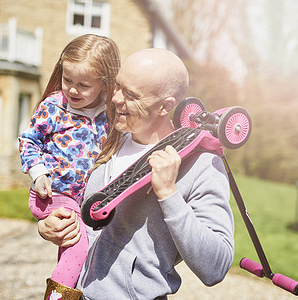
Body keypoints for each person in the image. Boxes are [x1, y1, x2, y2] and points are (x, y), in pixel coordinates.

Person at [38, 48, 234, 299]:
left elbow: (216, 267)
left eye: (131, 95)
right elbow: (74, 202)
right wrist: (47, 225)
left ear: (165, 107)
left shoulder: (201, 165)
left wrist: (168, 194)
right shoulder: (106, 139)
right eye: (118, 86)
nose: (116, 99)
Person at [18, 34, 120, 299]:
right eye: (68, 81)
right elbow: (28, 140)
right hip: (52, 194)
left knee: (78, 254)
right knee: (78, 249)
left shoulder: (108, 115)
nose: (73, 90)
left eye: (83, 85)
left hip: (84, 200)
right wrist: (38, 173)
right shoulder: (54, 106)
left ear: (105, 84)